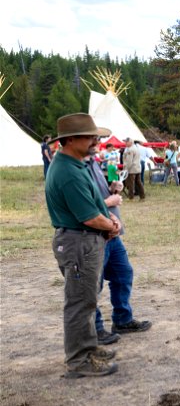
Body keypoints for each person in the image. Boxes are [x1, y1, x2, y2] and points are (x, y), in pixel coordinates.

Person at [45, 113, 121, 378]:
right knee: (79, 302)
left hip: (82, 241)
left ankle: (87, 348)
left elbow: (94, 205)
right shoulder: (68, 171)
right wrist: (111, 226)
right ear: (70, 140)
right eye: (90, 137)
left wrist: (108, 217)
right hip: (79, 243)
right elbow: (88, 216)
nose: (96, 141)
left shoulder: (75, 164)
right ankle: (78, 361)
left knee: (86, 299)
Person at [84, 155, 153, 343]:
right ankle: (95, 329)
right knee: (92, 285)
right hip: (95, 235)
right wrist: (109, 202)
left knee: (123, 274)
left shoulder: (94, 163)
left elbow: (96, 195)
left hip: (111, 235)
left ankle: (122, 320)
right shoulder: (76, 168)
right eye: (93, 137)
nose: (97, 141)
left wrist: (111, 188)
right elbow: (82, 205)